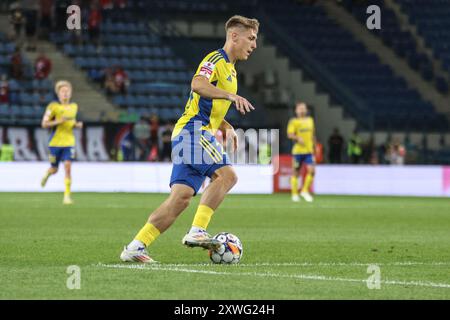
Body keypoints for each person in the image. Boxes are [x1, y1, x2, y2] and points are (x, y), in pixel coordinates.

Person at [120, 15, 259, 263]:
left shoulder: (232, 70)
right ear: (234, 36)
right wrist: (229, 97)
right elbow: (197, 84)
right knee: (228, 176)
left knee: (180, 199)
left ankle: (136, 246)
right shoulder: (215, 59)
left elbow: (205, 102)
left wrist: (225, 124)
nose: (254, 44)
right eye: (251, 38)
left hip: (189, 132)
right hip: (193, 131)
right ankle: (197, 231)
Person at [40, 80, 83, 204]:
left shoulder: (74, 107)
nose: (65, 93)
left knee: (68, 166)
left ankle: (67, 196)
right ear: (58, 94)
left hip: (69, 142)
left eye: (67, 91)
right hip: (55, 143)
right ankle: (47, 174)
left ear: (70, 93)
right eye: (62, 91)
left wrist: (77, 124)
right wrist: (57, 122)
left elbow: (72, 121)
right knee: (54, 169)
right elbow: (44, 123)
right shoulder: (53, 107)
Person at [287, 102, 316, 202]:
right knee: (296, 173)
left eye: (303, 108)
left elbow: (312, 135)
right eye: (300, 108)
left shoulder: (310, 120)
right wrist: (298, 138)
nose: (302, 110)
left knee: (312, 171)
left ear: (306, 110)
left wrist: (315, 147)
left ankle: (304, 190)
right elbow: (290, 134)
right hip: (298, 152)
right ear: (296, 111)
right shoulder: (293, 121)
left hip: (309, 151)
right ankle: (294, 194)